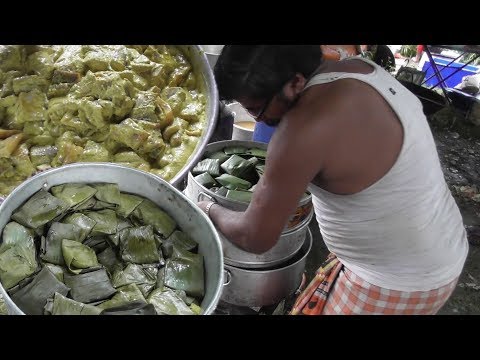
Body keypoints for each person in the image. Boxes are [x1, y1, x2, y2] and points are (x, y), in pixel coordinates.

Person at [199, 45, 468, 315]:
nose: (260, 120)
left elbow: (254, 237)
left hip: (397, 280)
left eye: (256, 109)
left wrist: (208, 208)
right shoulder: (356, 68)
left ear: (295, 82)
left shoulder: (302, 131)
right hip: (440, 238)